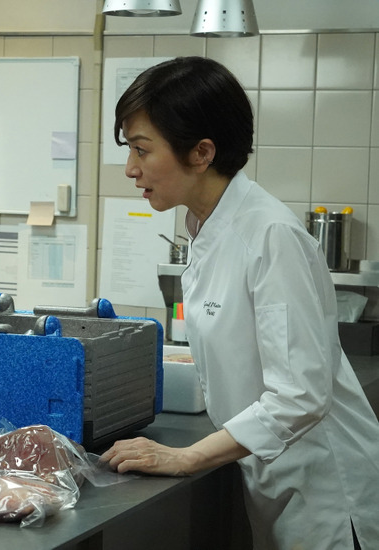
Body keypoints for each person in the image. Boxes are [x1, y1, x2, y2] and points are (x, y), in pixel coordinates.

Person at [100, 56, 379, 549]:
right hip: (278, 482)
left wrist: (186, 456)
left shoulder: (270, 236)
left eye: (142, 150)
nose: (131, 169)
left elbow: (300, 395)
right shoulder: (207, 227)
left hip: (331, 499)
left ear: (202, 152)